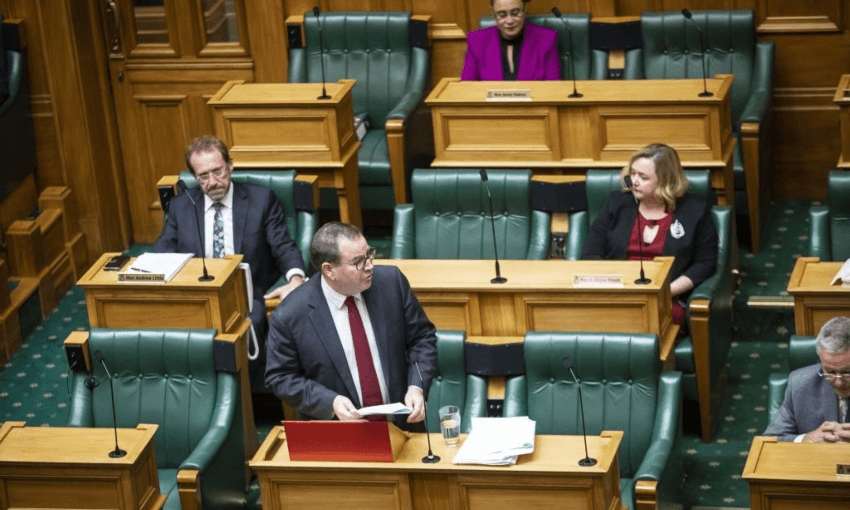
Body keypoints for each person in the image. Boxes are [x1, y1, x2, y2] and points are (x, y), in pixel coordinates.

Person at [153, 135, 306, 389]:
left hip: (246, 295)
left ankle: (245, 396)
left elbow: (283, 246)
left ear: (230, 166)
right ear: (194, 177)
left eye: (218, 172)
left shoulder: (261, 200)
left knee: (250, 326)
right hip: (198, 297)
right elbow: (162, 253)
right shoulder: (181, 206)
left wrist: (297, 279)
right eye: (203, 176)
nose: (213, 182)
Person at [265, 222, 438, 430]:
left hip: (404, 427)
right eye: (358, 262)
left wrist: (416, 386)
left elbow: (422, 339)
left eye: (369, 254)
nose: (369, 266)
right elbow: (281, 377)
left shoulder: (391, 283)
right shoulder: (289, 315)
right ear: (329, 270)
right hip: (340, 436)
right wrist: (330, 402)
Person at [581, 143, 718, 325]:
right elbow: (591, 252)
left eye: (643, 177)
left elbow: (706, 263)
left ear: (665, 181)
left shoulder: (695, 211)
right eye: (633, 173)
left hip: (667, 299)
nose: (634, 181)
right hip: (619, 295)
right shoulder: (617, 204)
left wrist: (665, 291)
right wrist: (613, 288)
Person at [765, 317, 850, 442]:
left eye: (847, 372)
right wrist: (805, 439)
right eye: (830, 372)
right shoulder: (800, 384)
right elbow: (770, 440)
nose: (838, 382)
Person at [461, 0, 560, 81]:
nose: (509, 21)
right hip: (491, 105)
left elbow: (552, 87)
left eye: (515, 13)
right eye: (502, 15)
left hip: (535, 104)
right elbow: (467, 87)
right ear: (493, 13)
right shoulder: (476, 41)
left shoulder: (546, 39)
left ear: (525, 9)